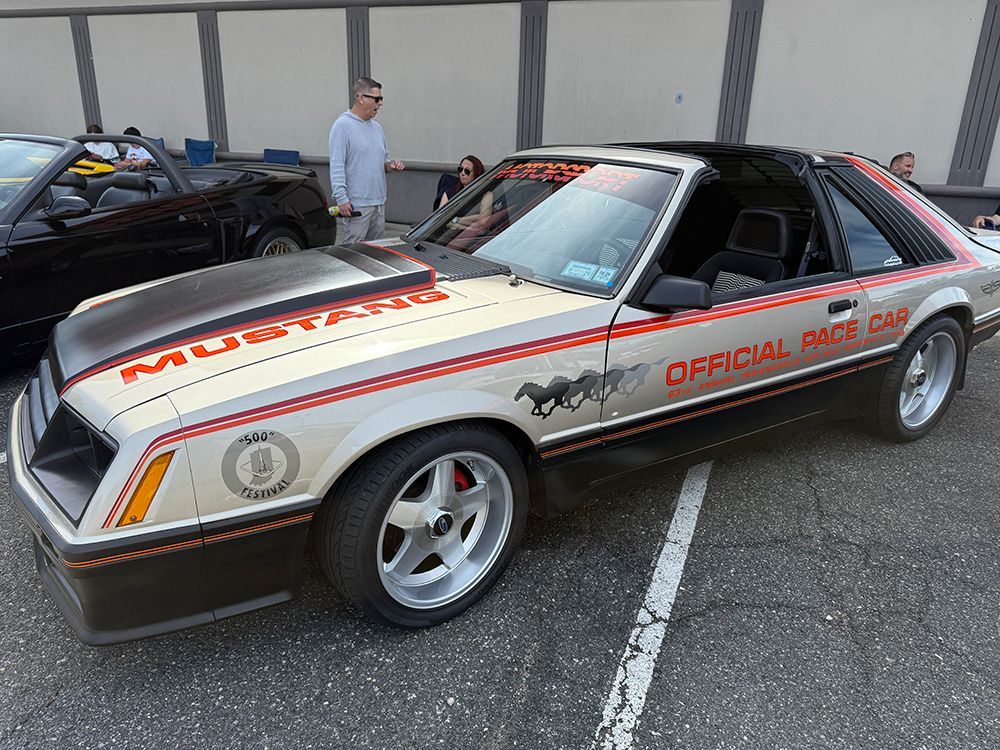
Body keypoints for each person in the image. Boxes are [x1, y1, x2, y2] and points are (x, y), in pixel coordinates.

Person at [328, 77, 405, 245]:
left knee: (375, 255)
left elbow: (384, 161)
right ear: (361, 98)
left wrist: (391, 166)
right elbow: (337, 165)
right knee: (353, 256)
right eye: (376, 99)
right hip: (357, 205)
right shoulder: (342, 126)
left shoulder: (377, 128)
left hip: (378, 203)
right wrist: (341, 198)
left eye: (381, 99)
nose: (380, 104)